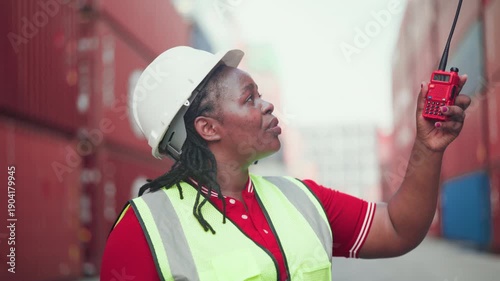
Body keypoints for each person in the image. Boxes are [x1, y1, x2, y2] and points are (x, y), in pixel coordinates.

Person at [100, 46, 470, 281]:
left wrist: (428, 147)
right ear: (208, 127)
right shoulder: (143, 229)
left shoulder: (300, 199)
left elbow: (398, 228)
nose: (267, 105)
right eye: (249, 99)